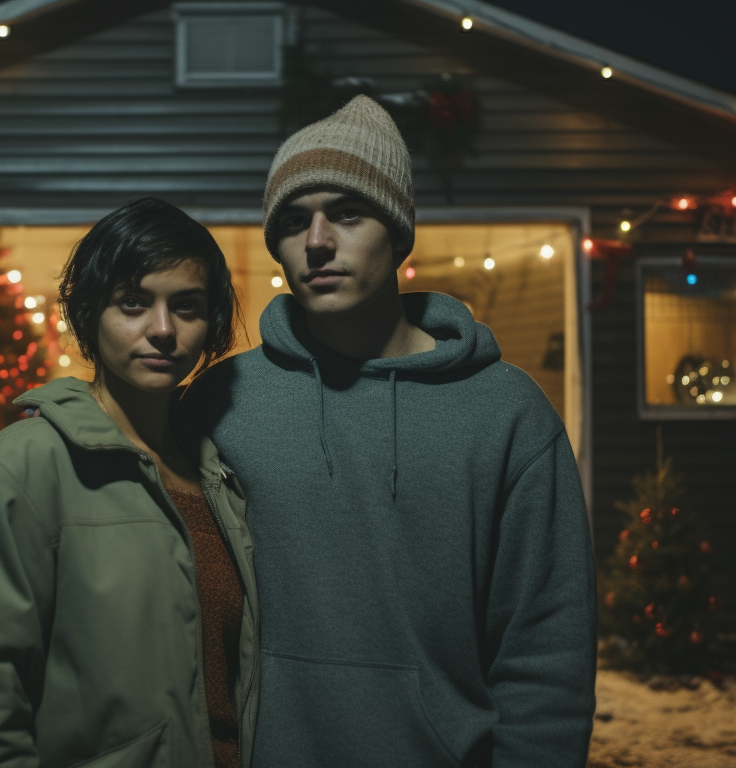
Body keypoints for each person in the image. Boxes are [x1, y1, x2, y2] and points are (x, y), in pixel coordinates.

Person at [184, 95, 597, 767]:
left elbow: (545, 654)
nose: (317, 241)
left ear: (399, 231)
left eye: (348, 213)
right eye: (294, 220)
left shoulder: (506, 414)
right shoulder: (223, 402)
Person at [0, 196, 259, 768]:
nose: (163, 329)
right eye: (133, 303)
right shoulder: (27, 464)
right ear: (90, 313)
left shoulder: (221, 463)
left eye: (186, 306)